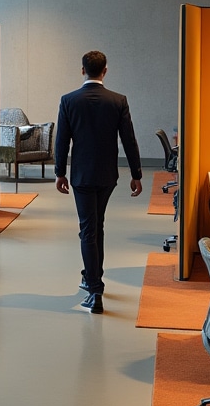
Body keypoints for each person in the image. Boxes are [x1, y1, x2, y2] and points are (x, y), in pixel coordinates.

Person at [54, 50, 143, 314]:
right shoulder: (118, 100)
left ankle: (95, 289)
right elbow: (129, 139)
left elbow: (62, 140)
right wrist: (136, 174)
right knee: (96, 226)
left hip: (82, 175)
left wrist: (60, 172)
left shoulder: (69, 100)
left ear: (82, 70)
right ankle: (92, 276)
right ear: (105, 71)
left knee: (88, 230)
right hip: (107, 175)